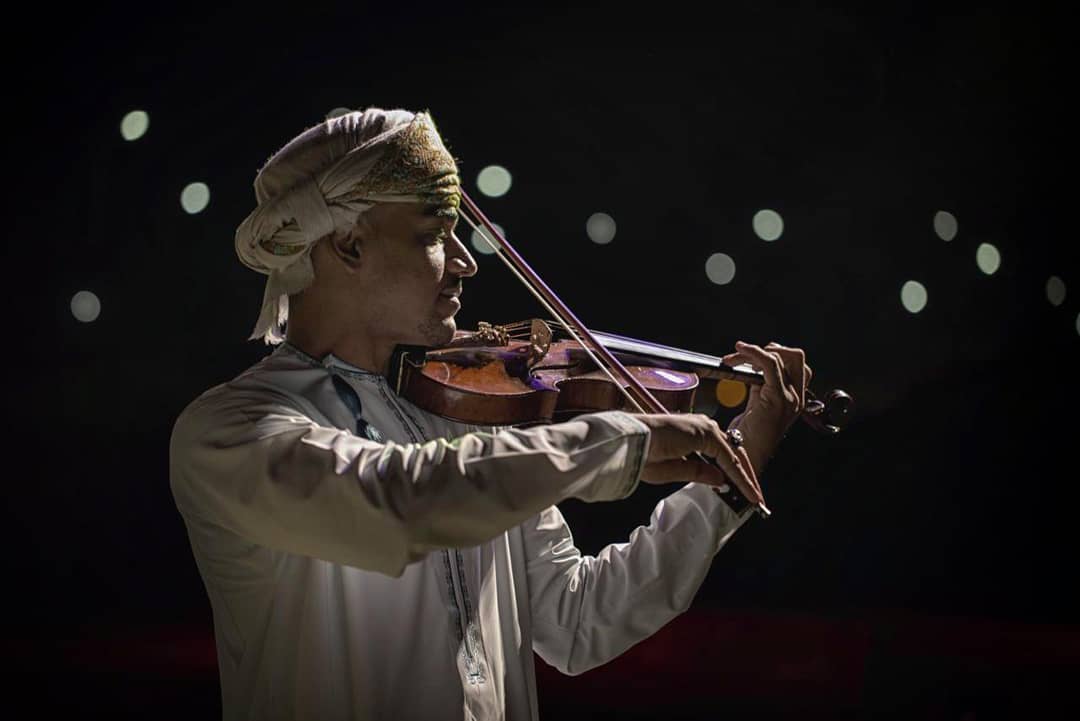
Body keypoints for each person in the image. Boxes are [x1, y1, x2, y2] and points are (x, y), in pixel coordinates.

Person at [169, 107, 812, 721]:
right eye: (432, 234)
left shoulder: (467, 416)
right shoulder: (230, 431)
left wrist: (734, 470)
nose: (466, 261)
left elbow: (578, 622)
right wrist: (609, 444)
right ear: (349, 244)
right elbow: (396, 502)